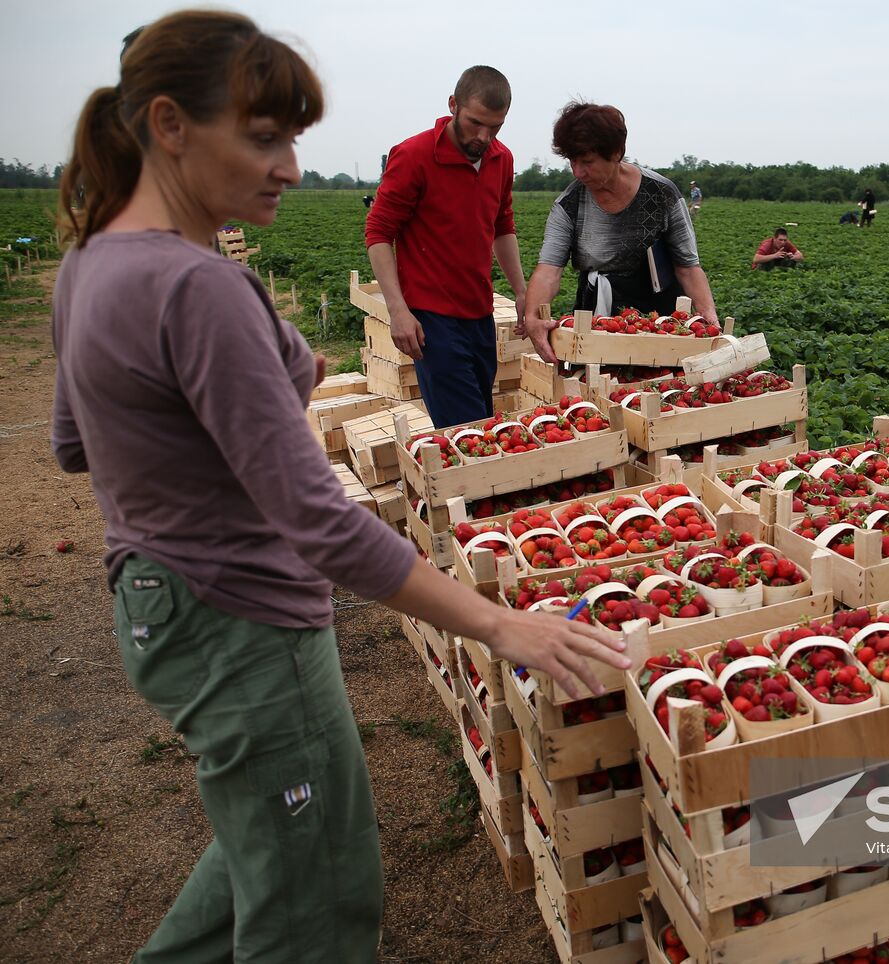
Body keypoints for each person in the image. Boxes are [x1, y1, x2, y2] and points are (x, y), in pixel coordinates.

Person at [51, 13, 628, 961]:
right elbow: (315, 519)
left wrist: (243, 380)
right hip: (245, 614)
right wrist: (495, 623)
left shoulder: (88, 264)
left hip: (156, 602)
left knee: (262, 848)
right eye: (266, 138)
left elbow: (80, 444)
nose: (289, 169)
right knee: (313, 899)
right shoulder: (199, 288)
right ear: (170, 125)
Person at [364, 66, 525, 427]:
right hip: (432, 320)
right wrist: (398, 310)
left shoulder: (502, 159)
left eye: (496, 126)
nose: (484, 137)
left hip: (479, 314)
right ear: (453, 105)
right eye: (475, 123)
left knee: (481, 422)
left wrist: (520, 290)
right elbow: (378, 232)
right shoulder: (414, 155)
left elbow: (503, 226)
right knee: (467, 431)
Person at [520, 102, 719, 363]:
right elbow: (548, 271)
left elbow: (687, 267)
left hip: (660, 317)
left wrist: (709, 319)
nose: (578, 172)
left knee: (660, 380)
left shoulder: (662, 194)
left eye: (587, 162)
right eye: (572, 161)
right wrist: (533, 318)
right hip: (599, 317)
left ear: (616, 153)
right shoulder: (569, 205)